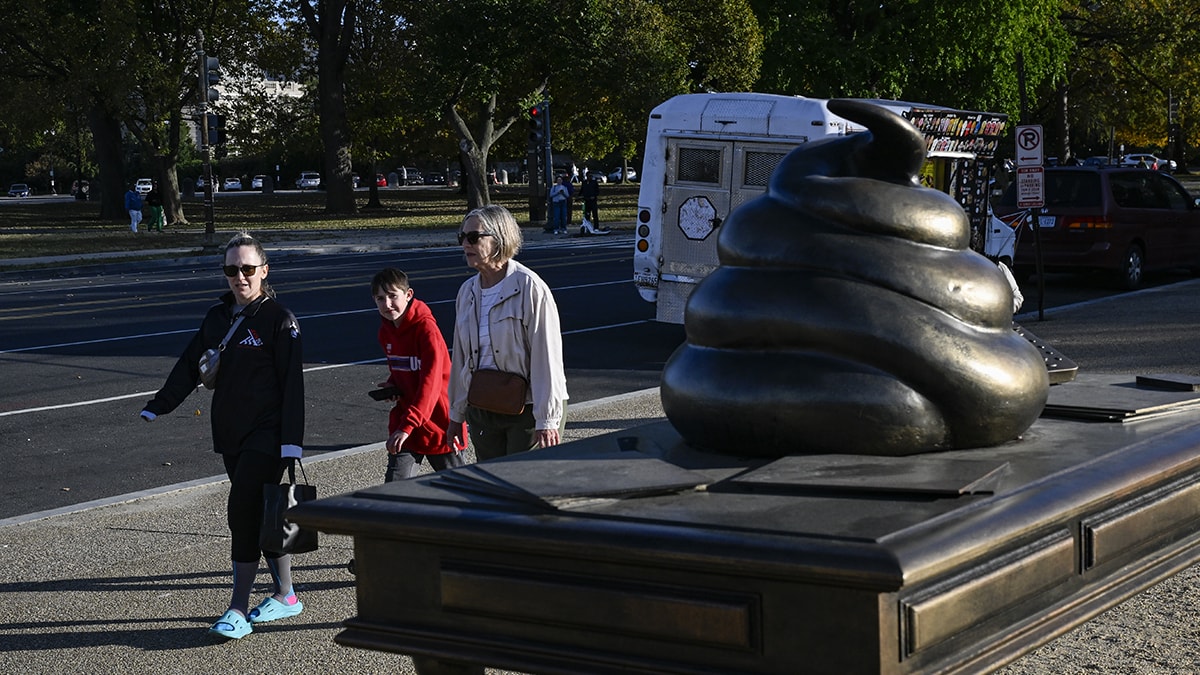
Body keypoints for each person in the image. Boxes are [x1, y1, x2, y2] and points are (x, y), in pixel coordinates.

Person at [140, 232, 305, 641]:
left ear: (264, 271)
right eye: (232, 269)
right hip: (231, 432)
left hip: (268, 436)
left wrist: (291, 445)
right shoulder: (217, 317)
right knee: (264, 514)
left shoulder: (280, 319)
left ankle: (237, 608)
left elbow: (293, 389)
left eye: (248, 268)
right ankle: (286, 595)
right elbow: (189, 364)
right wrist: (161, 403)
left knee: (241, 510)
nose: (240, 276)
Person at [447, 205, 568, 461]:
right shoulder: (467, 292)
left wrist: (547, 419)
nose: (465, 244)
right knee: (492, 484)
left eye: (473, 237)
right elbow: (460, 357)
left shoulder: (530, 288)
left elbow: (547, 358)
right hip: (483, 404)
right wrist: (456, 415)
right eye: (462, 237)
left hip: (527, 408)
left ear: (499, 239)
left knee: (524, 483)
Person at [370, 267, 467, 481]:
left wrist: (407, 426)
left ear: (408, 294)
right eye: (380, 298)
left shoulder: (426, 330)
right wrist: (393, 386)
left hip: (439, 423)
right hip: (408, 422)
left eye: (393, 296)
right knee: (394, 490)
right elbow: (404, 372)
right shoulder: (385, 331)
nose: (387, 304)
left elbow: (430, 386)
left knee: (462, 490)